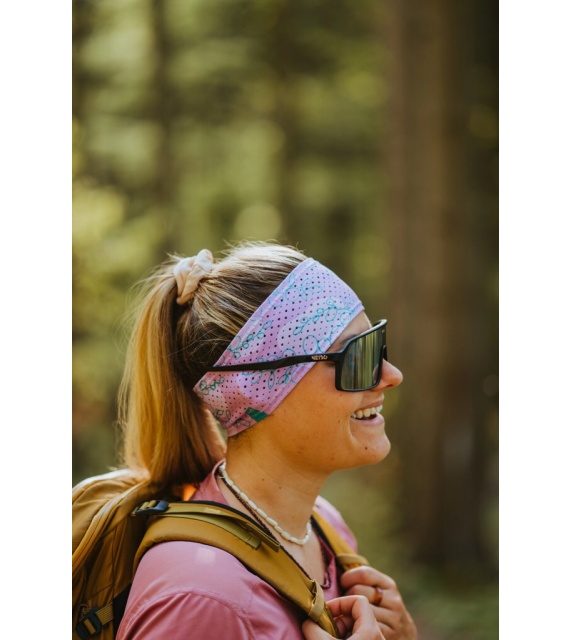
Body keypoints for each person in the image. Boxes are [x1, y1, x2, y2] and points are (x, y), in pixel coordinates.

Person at [114, 242, 417, 640]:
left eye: (377, 344)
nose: (391, 375)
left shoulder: (325, 527)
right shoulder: (201, 597)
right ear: (255, 390)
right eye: (358, 356)